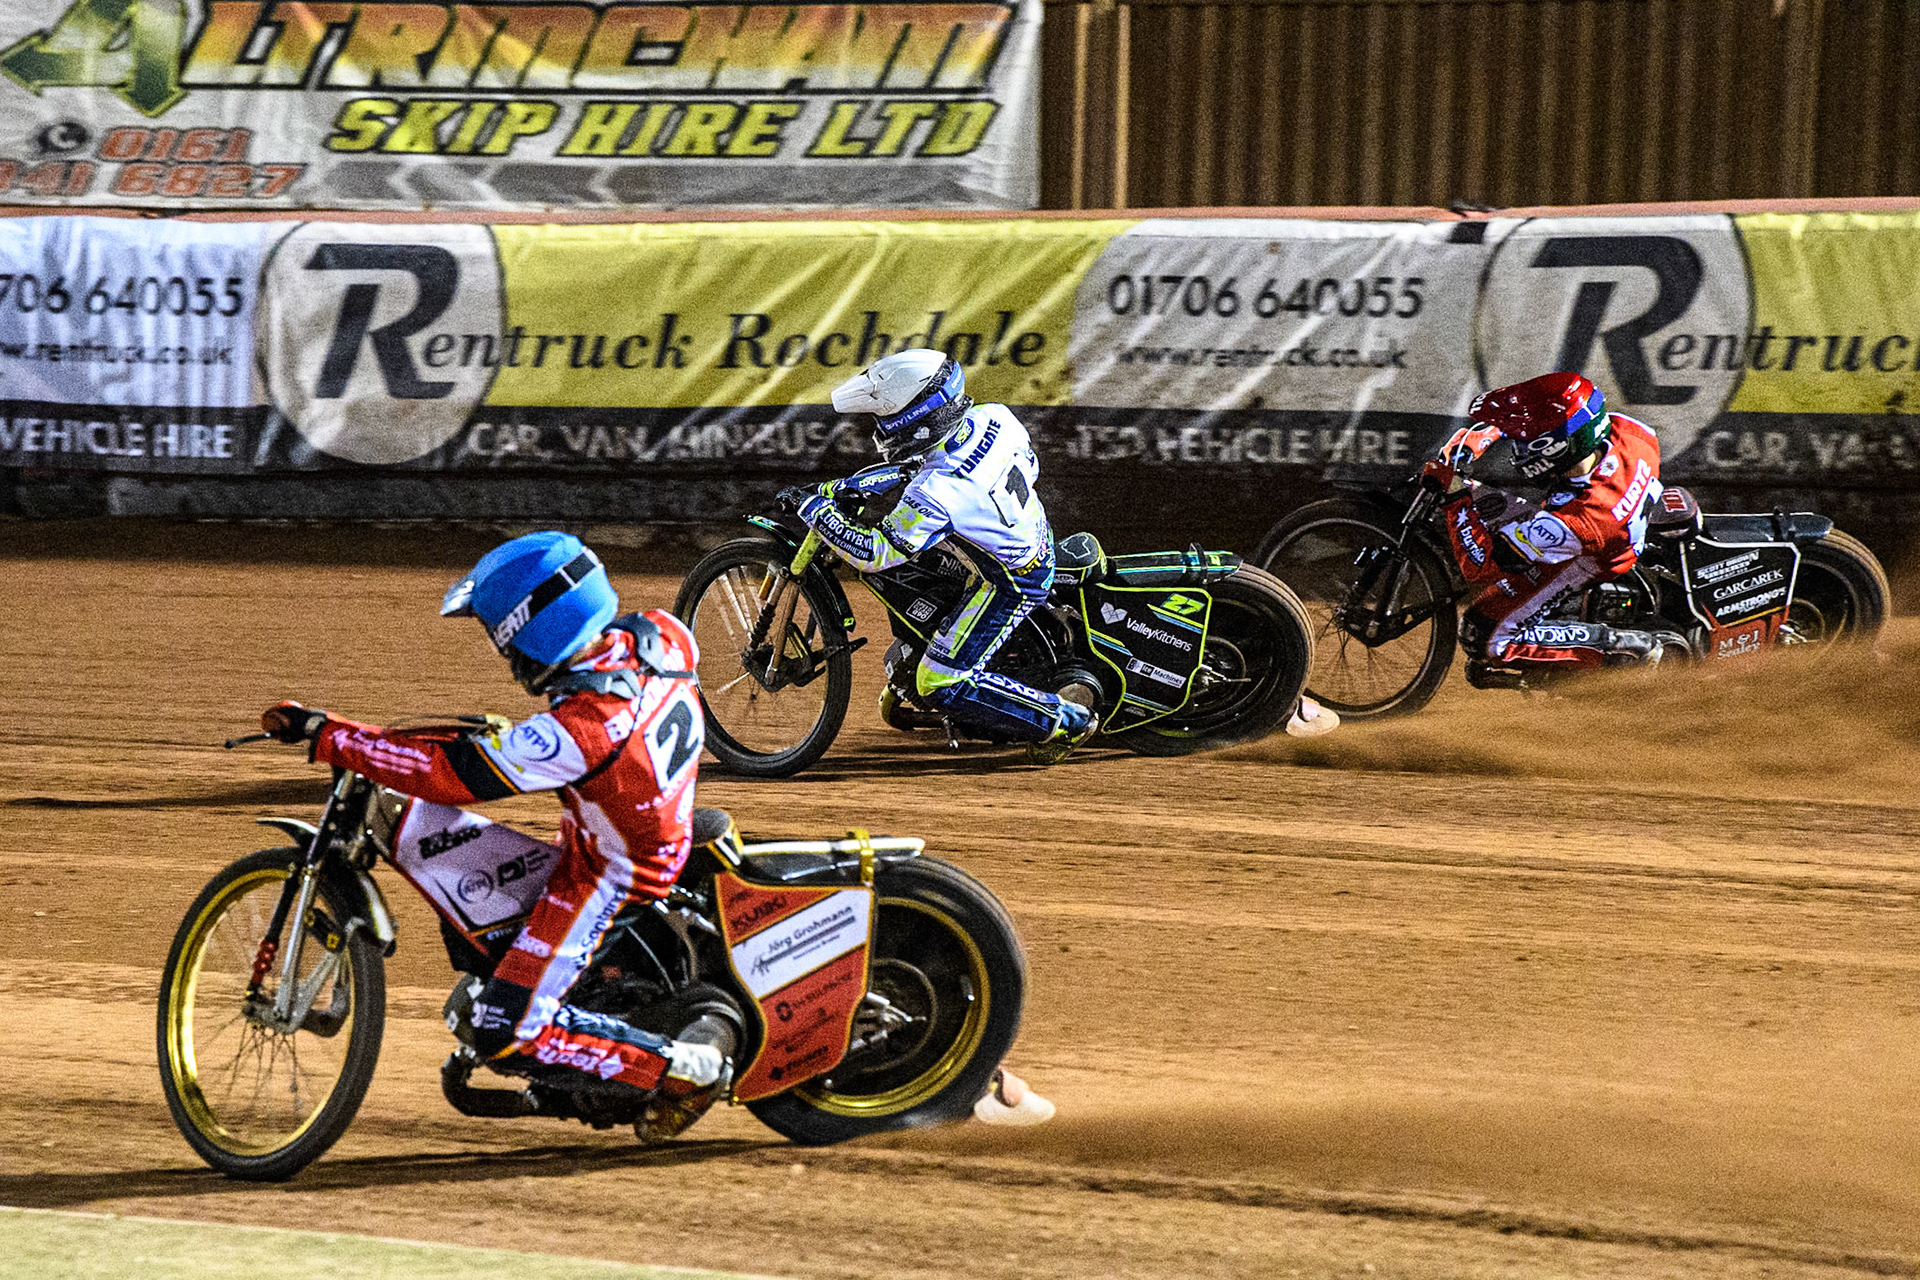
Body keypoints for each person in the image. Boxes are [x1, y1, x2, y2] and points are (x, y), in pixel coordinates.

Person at [259, 531, 731, 1138]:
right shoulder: (663, 636)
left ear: (529, 629)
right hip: (656, 822)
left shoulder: (583, 730)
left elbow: (446, 775)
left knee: (502, 1031)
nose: (501, 654)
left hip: (609, 873)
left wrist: (331, 734)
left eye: (498, 636)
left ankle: (684, 1068)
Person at [782, 348, 1099, 764]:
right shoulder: (995, 416)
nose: (878, 430)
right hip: (1028, 534)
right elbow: (1023, 466)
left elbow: (875, 553)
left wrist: (816, 511)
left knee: (938, 680)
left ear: (914, 418)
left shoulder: (937, 493)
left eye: (881, 420)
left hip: (1009, 580)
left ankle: (1065, 720)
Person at [1422, 371, 1679, 683]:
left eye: (1525, 443)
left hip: (1587, 557)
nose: (1519, 451)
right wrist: (1487, 434)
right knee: (1495, 509)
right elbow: (1565, 423)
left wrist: (1457, 497)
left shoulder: (1575, 520)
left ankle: (1628, 649)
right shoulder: (1630, 431)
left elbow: (1481, 566)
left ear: (1556, 447)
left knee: (1482, 634)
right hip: (1606, 520)